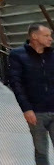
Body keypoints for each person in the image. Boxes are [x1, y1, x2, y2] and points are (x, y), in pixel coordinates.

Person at [9, 23, 54, 165]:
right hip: (36, 111)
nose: (50, 39)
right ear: (34, 36)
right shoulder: (17, 55)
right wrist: (26, 109)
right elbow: (16, 84)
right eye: (46, 35)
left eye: (50, 35)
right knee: (41, 149)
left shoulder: (52, 55)